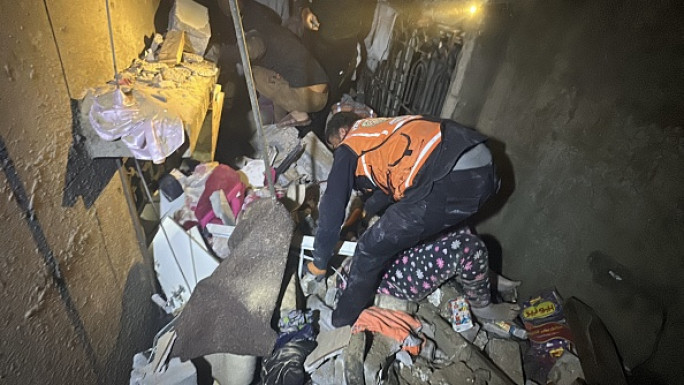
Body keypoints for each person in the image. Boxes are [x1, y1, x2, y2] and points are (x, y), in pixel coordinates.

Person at [306, 112, 519, 327]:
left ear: (343, 132)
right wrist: (365, 210)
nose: (338, 154)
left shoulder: (350, 143)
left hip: (447, 176)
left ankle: (340, 319)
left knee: (370, 248)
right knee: (438, 227)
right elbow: (393, 183)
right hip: (480, 167)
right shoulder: (383, 128)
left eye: (334, 147)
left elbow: (331, 208)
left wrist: (320, 261)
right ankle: (483, 277)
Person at [217, 0, 329, 119]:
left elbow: (247, 51)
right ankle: (285, 117)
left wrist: (219, 53)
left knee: (253, 73)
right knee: (273, 79)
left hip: (307, 96)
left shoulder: (259, 37)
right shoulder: (278, 31)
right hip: (320, 91)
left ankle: (298, 112)